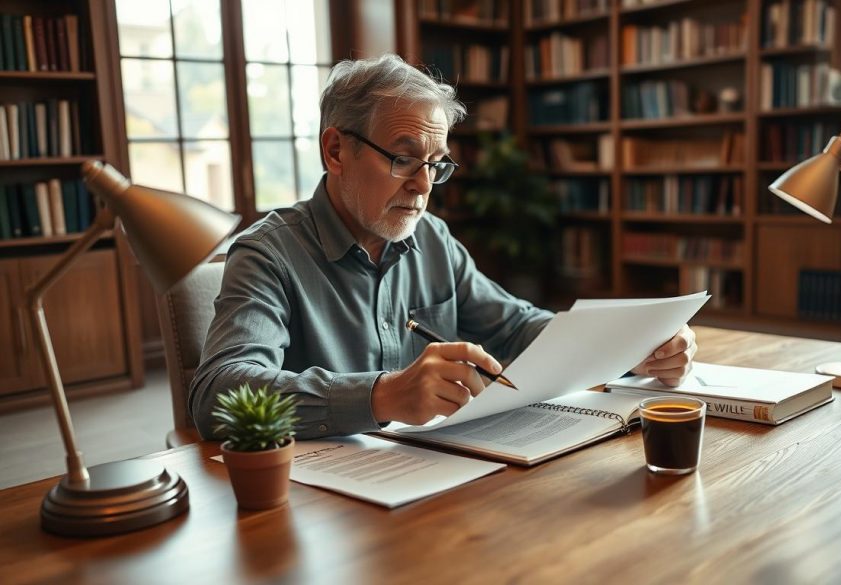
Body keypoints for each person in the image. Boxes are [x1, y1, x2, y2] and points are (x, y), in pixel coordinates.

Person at [190, 54, 696, 439]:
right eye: (404, 159)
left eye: (437, 164)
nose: (423, 186)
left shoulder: (431, 237)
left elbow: (515, 326)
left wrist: (634, 347)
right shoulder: (268, 255)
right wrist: (383, 395)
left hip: (435, 483)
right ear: (335, 150)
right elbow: (218, 393)